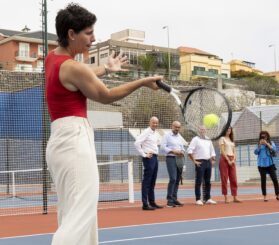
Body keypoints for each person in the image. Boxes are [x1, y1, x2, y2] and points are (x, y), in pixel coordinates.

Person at [45, 3, 162, 245]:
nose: (93, 38)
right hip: (74, 140)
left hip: (60, 140)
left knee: (73, 214)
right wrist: (142, 81)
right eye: (88, 33)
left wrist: (106, 69)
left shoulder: (52, 60)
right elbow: (106, 96)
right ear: (71, 34)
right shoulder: (72, 67)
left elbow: (84, 75)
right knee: (80, 214)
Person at [134, 116, 164, 211]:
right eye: (153, 122)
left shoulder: (155, 133)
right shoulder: (146, 131)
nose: (155, 124)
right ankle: (145, 204)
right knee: (147, 181)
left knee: (153, 181)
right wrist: (144, 154)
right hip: (149, 158)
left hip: (155, 157)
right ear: (150, 122)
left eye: (156, 123)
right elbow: (137, 143)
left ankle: (152, 202)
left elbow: (155, 144)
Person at [187, 125, 216, 205]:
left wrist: (213, 159)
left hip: (208, 162)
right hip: (200, 162)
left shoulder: (208, 140)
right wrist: (194, 161)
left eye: (204, 129)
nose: (202, 130)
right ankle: (198, 199)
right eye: (201, 129)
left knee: (208, 181)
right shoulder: (195, 139)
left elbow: (212, 151)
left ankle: (208, 198)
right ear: (198, 130)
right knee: (198, 181)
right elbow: (189, 151)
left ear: (205, 130)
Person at [161, 121, 186, 207]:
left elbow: (182, 147)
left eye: (178, 127)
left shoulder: (179, 137)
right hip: (170, 158)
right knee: (173, 178)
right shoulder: (166, 135)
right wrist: (173, 151)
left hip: (179, 159)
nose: (177, 129)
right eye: (176, 127)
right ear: (172, 126)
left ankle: (174, 199)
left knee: (178, 179)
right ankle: (169, 200)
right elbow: (162, 147)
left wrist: (182, 152)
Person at [254, 130, 279, 202]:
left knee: (275, 179)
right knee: (263, 180)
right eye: (262, 136)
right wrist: (259, 145)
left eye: (265, 136)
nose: (263, 137)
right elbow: (255, 152)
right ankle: (264, 196)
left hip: (270, 164)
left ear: (267, 136)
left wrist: (267, 144)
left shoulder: (271, 143)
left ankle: (278, 195)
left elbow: (274, 149)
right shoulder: (259, 144)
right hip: (261, 165)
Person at [218, 127, 241, 203]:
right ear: (224, 130)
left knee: (234, 178)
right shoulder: (222, 139)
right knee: (224, 178)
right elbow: (222, 150)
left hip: (232, 159)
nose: (229, 131)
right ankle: (226, 197)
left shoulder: (231, 140)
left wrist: (233, 159)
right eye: (227, 129)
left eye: (230, 130)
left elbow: (234, 151)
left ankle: (235, 197)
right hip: (224, 159)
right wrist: (228, 160)